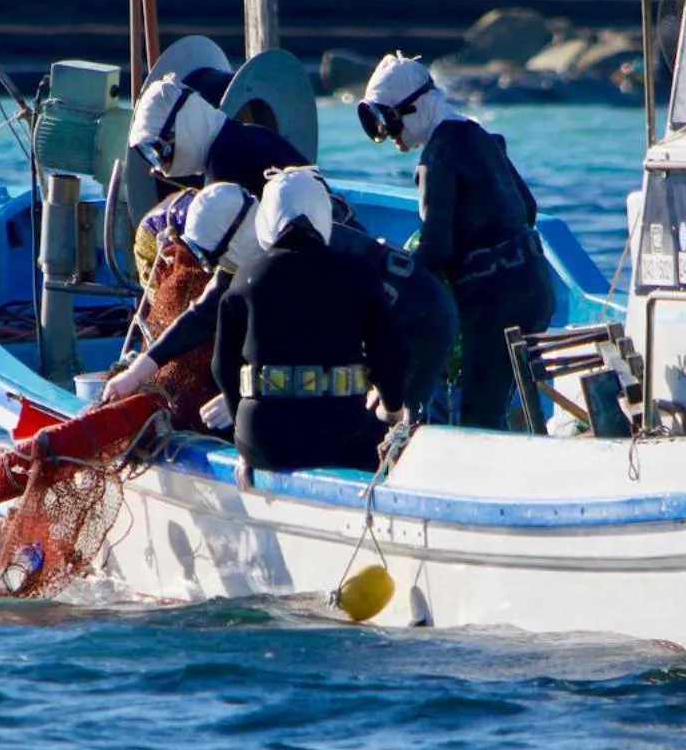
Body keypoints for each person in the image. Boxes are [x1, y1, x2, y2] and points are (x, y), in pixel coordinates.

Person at [358, 54, 554, 429]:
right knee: (504, 397)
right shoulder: (478, 133)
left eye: (390, 122)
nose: (390, 136)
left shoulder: (437, 158)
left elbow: (435, 248)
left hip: (494, 301)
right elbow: (527, 207)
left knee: (479, 414)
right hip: (535, 286)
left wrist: (397, 309)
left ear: (415, 108)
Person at [211, 167, 410, 473]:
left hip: (263, 444)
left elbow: (222, 366)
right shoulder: (357, 274)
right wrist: (393, 412)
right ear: (323, 213)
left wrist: (244, 439)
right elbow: (390, 356)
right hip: (342, 439)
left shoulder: (245, 278)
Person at [103, 181, 264, 424]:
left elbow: (311, 346)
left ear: (236, 236)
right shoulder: (238, 262)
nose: (206, 268)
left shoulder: (300, 269)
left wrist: (251, 393)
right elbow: (198, 317)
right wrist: (135, 374)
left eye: (207, 258)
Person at [127, 73, 306, 196]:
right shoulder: (244, 134)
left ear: (182, 127)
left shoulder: (223, 164)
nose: (160, 167)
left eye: (160, 152)